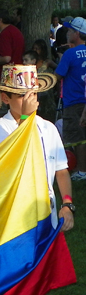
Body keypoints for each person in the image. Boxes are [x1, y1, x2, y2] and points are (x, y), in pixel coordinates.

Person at [0, 64, 73, 295]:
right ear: (8, 98)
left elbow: (60, 170)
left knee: (31, 279)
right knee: (27, 281)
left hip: (44, 216)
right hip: (16, 220)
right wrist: (26, 120)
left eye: (35, 93)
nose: (32, 99)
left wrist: (66, 203)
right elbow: (16, 165)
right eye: (24, 95)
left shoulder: (48, 128)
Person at [55, 17, 86, 179]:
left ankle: (81, 170)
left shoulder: (70, 53)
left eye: (70, 30)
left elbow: (58, 75)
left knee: (78, 138)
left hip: (74, 101)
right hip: (84, 98)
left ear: (77, 33)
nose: (67, 33)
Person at [0, 9, 25, 81]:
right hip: (17, 72)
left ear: (0, 19)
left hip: (7, 75)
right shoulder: (13, 30)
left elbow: (6, 58)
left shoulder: (5, 34)